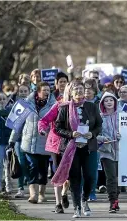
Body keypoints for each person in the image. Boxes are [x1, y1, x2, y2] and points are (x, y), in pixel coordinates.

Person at [53, 80, 102, 218]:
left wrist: (92, 133)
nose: (79, 92)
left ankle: (85, 199)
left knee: (90, 177)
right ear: (71, 92)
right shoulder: (64, 108)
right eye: (76, 90)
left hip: (89, 147)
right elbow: (57, 128)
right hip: (71, 148)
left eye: (81, 89)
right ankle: (77, 208)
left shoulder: (92, 107)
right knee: (75, 178)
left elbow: (99, 125)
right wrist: (70, 134)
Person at [9, 82, 56, 204]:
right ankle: (33, 194)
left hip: (45, 143)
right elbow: (17, 123)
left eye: (48, 90)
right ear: (38, 91)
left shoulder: (53, 105)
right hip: (29, 142)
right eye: (44, 90)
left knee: (43, 170)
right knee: (33, 167)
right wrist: (12, 140)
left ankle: (42, 194)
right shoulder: (26, 104)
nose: (46, 92)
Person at [38, 83, 72, 213]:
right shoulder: (58, 105)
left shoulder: (78, 106)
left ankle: (64, 191)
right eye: (68, 93)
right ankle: (58, 203)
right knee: (58, 172)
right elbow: (44, 120)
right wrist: (42, 130)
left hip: (71, 143)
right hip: (56, 143)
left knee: (68, 174)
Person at [97, 92, 121, 213]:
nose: (109, 102)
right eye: (106, 101)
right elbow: (95, 133)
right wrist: (102, 139)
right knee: (111, 177)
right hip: (106, 151)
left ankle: (116, 200)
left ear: (115, 102)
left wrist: (122, 134)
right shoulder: (99, 117)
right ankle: (112, 202)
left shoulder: (122, 115)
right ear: (102, 103)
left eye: (111, 100)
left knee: (118, 178)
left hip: (121, 151)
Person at [9, 84, 30, 198]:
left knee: (30, 163)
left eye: (25, 91)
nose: (23, 93)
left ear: (29, 92)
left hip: (31, 139)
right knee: (21, 163)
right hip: (19, 139)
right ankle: (20, 188)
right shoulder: (16, 106)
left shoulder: (33, 105)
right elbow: (15, 125)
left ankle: (32, 186)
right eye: (21, 91)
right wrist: (12, 140)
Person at [83, 78, 102, 201]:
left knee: (93, 168)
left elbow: (100, 122)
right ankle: (83, 191)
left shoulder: (99, 103)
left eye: (90, 89)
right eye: (85, 89)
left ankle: (91, 193)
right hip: (80, 139)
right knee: (82, 168)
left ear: (94, 90)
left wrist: (95, 133)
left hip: (95, 138)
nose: (87, 91)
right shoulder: (78, 102)